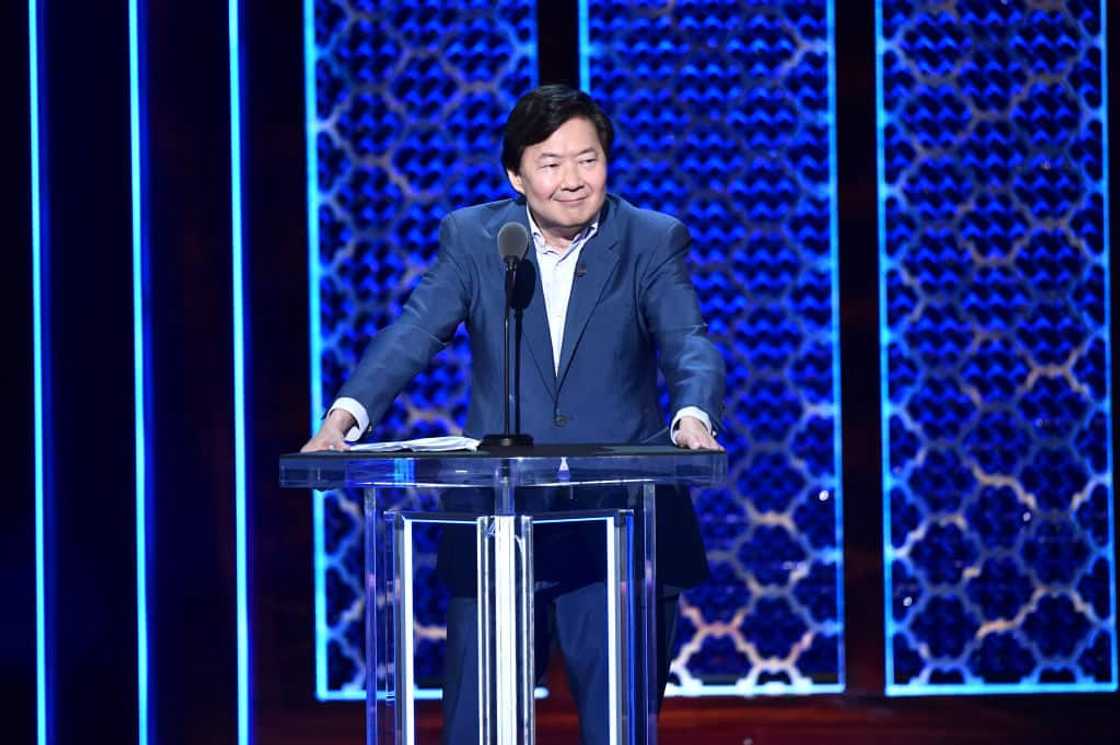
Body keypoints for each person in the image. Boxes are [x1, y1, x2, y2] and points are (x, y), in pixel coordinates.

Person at [303, 84, 724, 744]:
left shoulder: (649, 238)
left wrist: (692, 415)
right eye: (551, 163)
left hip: (619, 524)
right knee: (476, 725)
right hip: (503, 526)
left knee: (620, 727)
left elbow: (687, 340)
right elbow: (413, 333)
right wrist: (343, 420)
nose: (572, 180)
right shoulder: (476, 239)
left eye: (587, 160)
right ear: (515, 173)